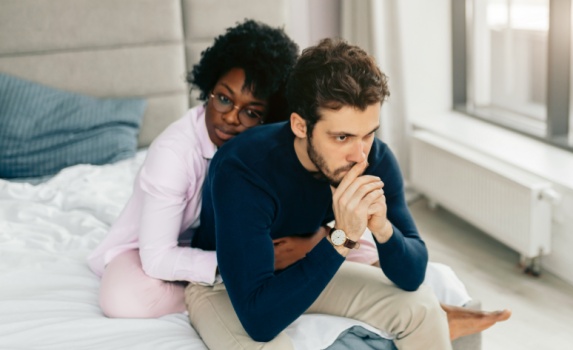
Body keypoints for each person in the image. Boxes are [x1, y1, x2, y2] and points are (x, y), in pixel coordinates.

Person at [187, 38, 510, 349]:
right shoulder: (245, 169)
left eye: (368, 134)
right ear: (300, 126)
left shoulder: (376, 158)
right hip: (224, 286)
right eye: (342, 137)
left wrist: (383, 230)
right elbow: (259, 321)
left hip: (303, 268)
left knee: (423, 307)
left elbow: (412, 276)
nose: (360, 155)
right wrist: (341, 238)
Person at [86, 20, 299, 318]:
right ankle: (227, 288)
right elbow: (157, 258)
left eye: (251, 112)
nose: (231, 119)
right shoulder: (172, 153)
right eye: (223, 99)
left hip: (226, 242)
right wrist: (247, 262)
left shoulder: (266, 147)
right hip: (149, 250)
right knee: (122, 300)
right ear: (208, 89)